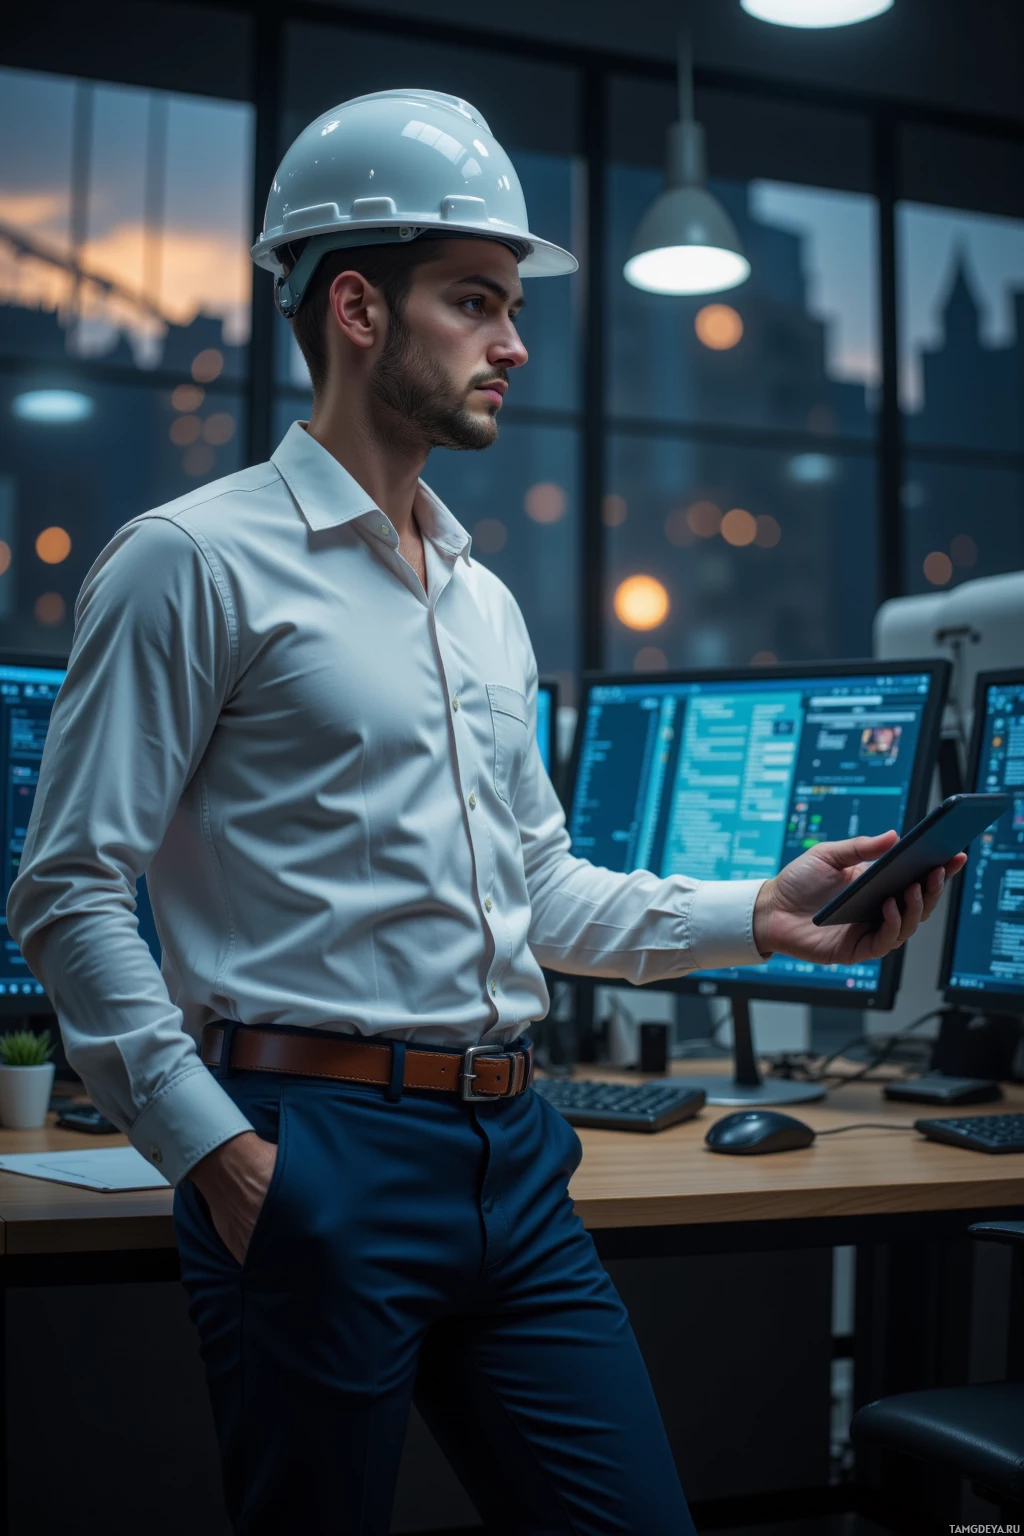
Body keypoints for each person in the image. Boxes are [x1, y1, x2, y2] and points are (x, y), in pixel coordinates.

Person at [6, 90, 965, 1536]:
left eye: (512, 306)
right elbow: (70, 890)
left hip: (513, 1158)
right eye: (476, 302)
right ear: (356, 309)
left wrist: (753, 916)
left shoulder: (485, 601)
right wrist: (215, 1152)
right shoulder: (188, 562)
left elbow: (539, 888)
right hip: (307, 1150)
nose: (515, 344)